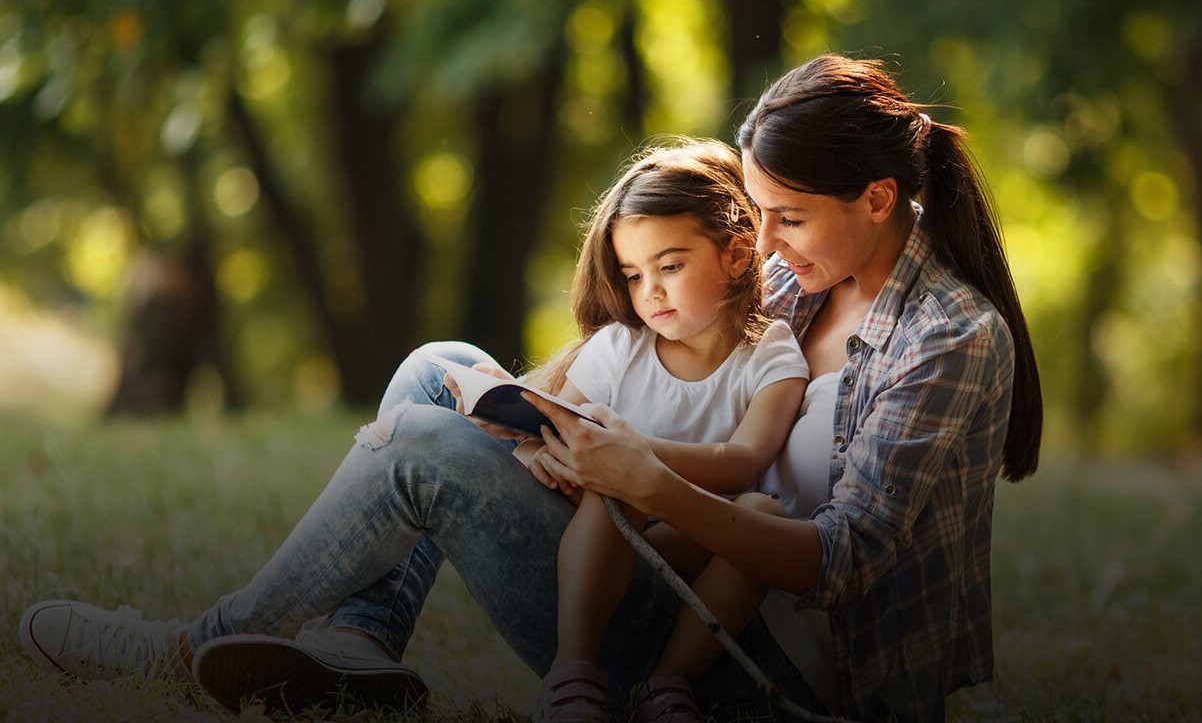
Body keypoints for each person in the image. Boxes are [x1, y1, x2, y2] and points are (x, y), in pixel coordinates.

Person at [17, 52, 1042, 723]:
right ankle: (359, 648)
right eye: (757, 215)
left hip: (755, 672)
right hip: (667, 556)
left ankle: (183, 650)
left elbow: (843, 562)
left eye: (787, 217)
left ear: (874, 198)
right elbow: (659, 363)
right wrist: (547, 410)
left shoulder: (946, 340)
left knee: (417, 445)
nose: (762, 242)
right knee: (436, 368)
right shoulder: (800, 276)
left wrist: (640, 477)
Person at [515, 139, 807, 723]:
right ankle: (574, 675)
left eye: (670, 266)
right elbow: (556, 424)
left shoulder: (769, 353)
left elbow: (746, 459)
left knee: (765, 515)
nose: (650, 291)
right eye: (632, 274)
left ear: (737, 256)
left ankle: (668, 685)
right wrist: (535, 454)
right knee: (612, 486)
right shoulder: (622, 347)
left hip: (700, 547)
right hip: (604, 549)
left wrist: (638, 454)